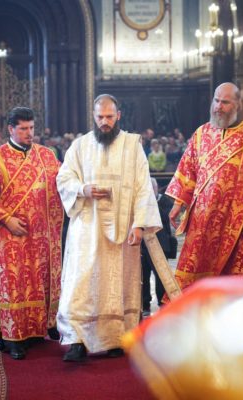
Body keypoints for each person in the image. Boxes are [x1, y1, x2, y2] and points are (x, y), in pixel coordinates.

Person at [56, 94, 162, 362]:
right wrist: (84, 189)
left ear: (119, 116)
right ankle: (77, 341)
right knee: (82, 283)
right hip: (87, 229)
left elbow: (143, 186)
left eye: (109, 117)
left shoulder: (132, 145)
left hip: (122, 230)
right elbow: (64, 177)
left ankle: (116, 337)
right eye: (100, 117)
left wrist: (139, 224)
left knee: (117, 284)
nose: (104, 122)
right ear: (93, 116)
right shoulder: (80, 146)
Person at [167, 82, 243, 290]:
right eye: (216, 101)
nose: (219, 106)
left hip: (239, 222)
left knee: (237, 281)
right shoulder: (201, 134)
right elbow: (188, 171)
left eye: (225, 102)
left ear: (238, 104)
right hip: (203, 221)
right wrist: (178, 203)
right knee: (196, 277)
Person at [0, 107, 63, 360]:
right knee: (12, 286)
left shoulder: (47, 156)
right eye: (23, 129)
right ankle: (12, 338)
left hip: (41, 237)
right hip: (8, 237)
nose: (29, 133)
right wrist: (7, 219)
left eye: (31, 128)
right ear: (11, 129)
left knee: (37, 283)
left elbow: (64, 184)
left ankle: (36, 331)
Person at [141, 178, 176, 317]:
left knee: (161, 276)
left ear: (156, 189)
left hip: (161, 245)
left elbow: (167, 219)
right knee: (143, 276)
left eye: (152, 189)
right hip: (142, 246)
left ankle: (162, 303)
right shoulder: (140, 203)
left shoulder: (165, 202)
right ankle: (145, 305)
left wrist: (153, 203)